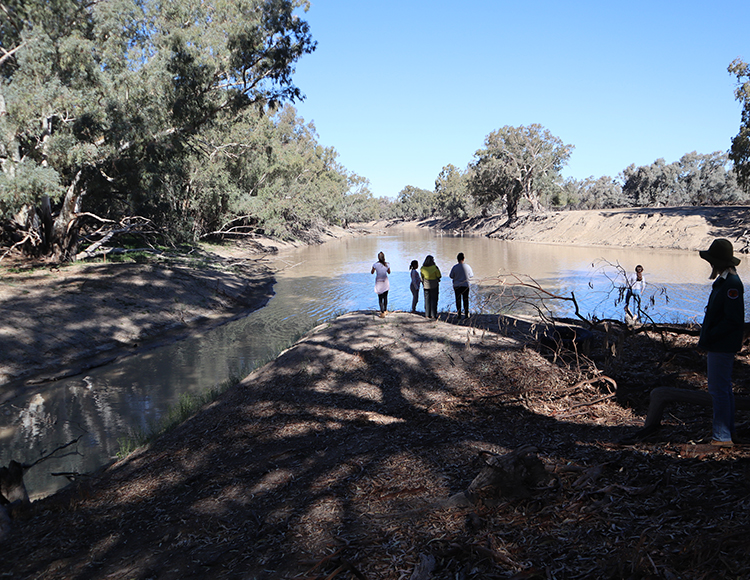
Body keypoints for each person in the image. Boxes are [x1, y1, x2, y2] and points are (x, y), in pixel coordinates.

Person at [698, 238, 745, 447]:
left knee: (718, 390)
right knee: (724, 388)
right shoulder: (725, 281)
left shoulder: (732, 285)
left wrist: (711, 336)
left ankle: (721, 437)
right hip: (719, 342)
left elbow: (733, 319)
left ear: (717, 262)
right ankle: (729, 432)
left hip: (722, 344)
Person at [449, 252, 474, 318]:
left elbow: (451, 276)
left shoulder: (454, 267)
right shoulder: (468, 266)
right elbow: (471, 275)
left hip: (457, 285)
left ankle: (459, 314)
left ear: (457, 259)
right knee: (466, 299)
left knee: (458, 300)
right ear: (463, 259)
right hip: (465, 285)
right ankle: (466, 313)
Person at [371, 251, 391, 318]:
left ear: (378, 258)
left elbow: (372, 272)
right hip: (385, 282)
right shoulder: (387, 264)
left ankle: (382, 312)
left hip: (379, 282)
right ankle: (385, 310)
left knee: (380, 298)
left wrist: (374, 269)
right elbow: (389, 272)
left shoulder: (375, 265)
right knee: (385, 297)